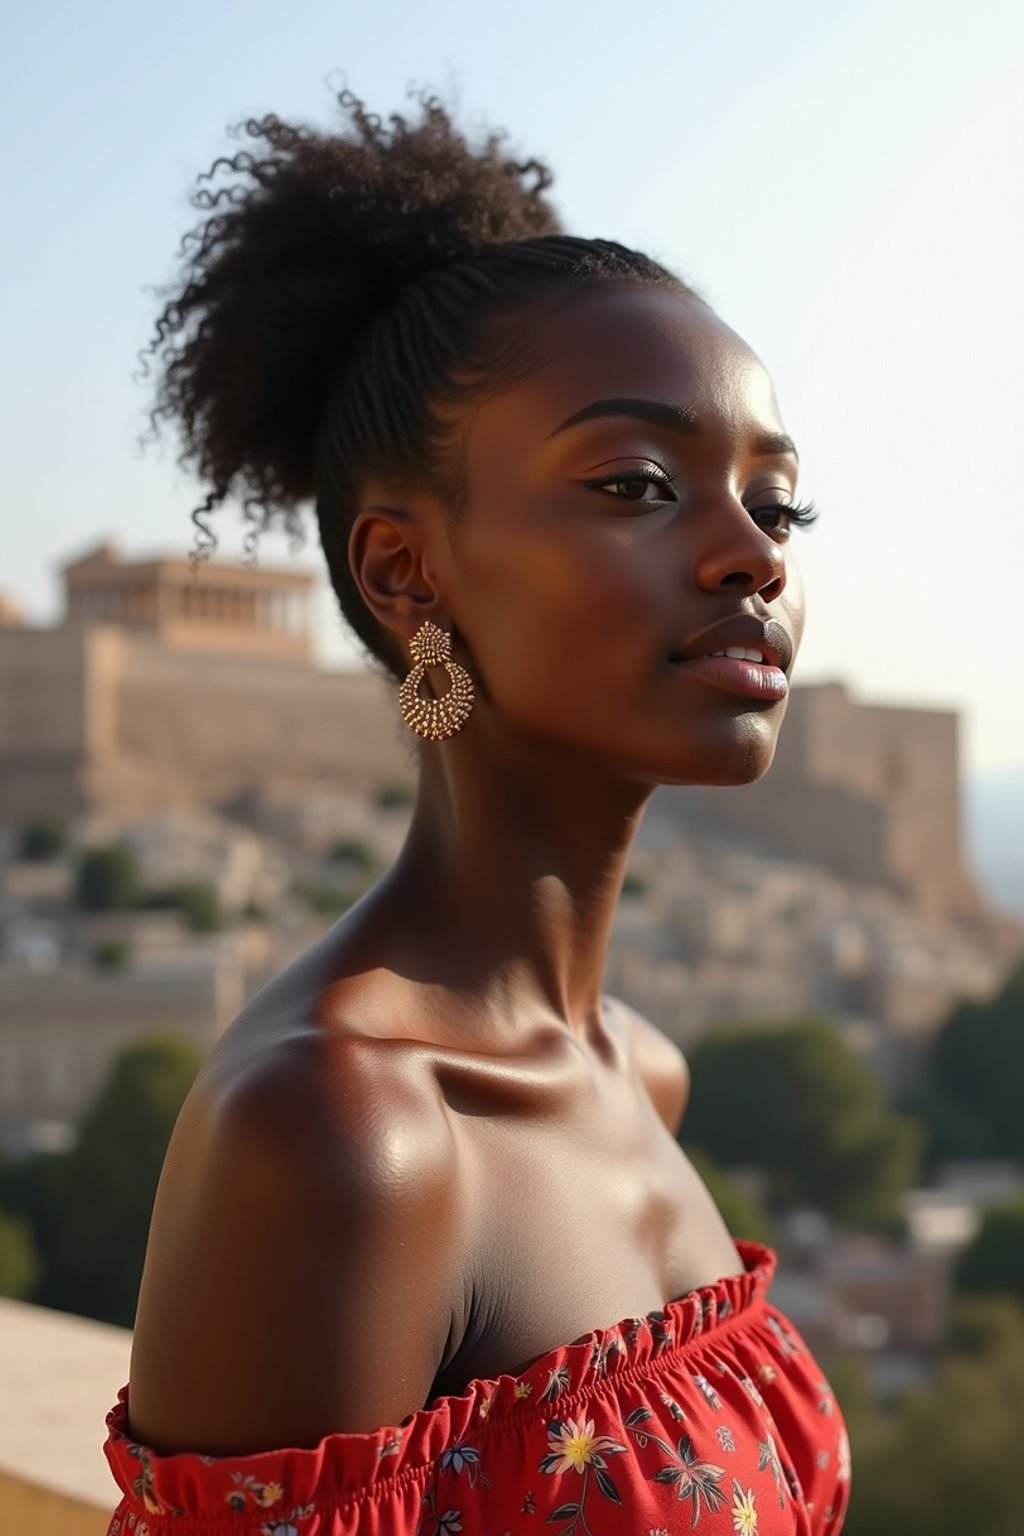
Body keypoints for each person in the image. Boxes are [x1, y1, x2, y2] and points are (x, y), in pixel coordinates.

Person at [101, 84, 851, 1536]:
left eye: (779, 502)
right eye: (638, 482)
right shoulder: (340, 1136)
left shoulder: (644, 1072)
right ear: (406, 576)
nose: (754, 554)